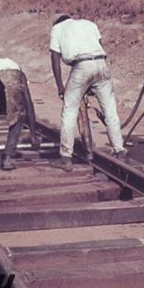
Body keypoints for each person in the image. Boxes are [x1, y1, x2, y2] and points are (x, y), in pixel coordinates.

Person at [49, 15, 127, 171]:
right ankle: (119, 151)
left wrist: (60, 87)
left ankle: (65, 157)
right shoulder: (89, 24)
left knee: (69, 110)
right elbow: (99, 45)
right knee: (110, 111)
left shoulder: (57, 29)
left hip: (81, 66)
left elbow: (55, 58)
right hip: (101, 64)